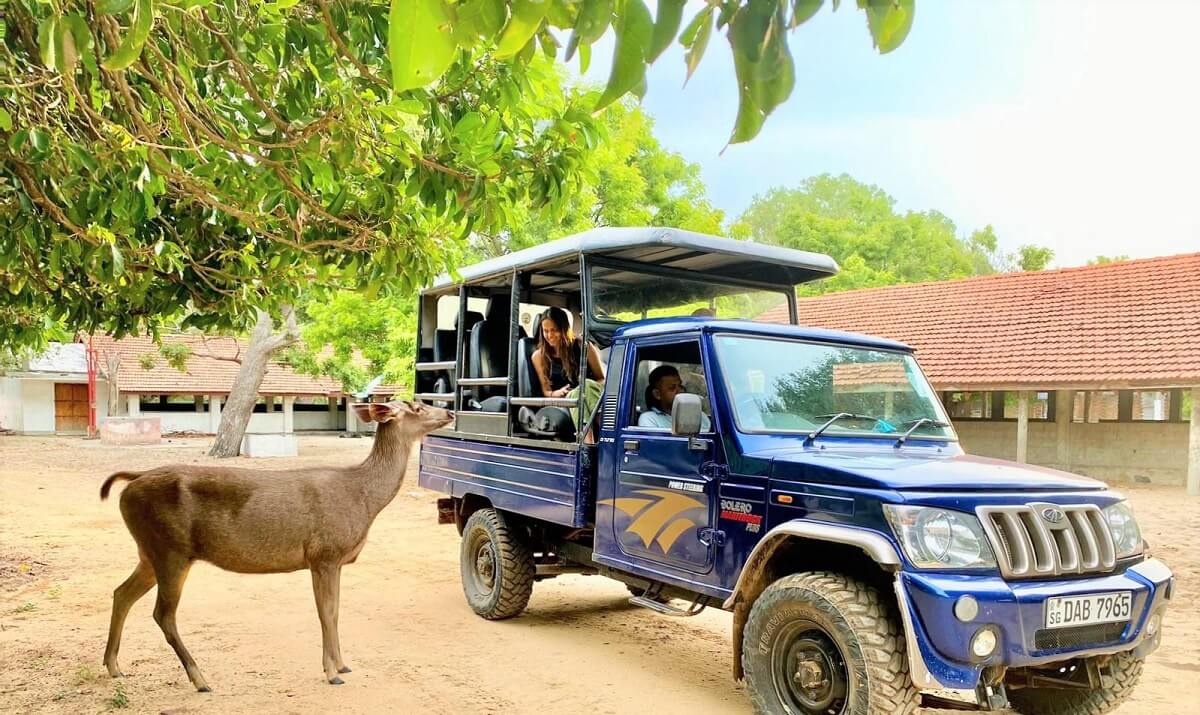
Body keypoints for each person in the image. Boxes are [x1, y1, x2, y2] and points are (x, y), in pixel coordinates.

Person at [531, 307, 605, 435]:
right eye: (545, 331)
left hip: (589, 395)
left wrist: (584, 389)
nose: (549, 336)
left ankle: (587, 441)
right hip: (563, 401)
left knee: (582, 389)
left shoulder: (584, 347)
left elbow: (601, 379)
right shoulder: (539, 356)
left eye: (554, 330)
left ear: (564, 328)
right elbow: (546, 391)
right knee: (575, 395)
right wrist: (558, 393)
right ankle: (605, 432)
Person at [638, 364, 711, 430]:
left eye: (680, 385)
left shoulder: (699, 415)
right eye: (672, 388)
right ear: (657, 394)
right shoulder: (649, 418)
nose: (680, 390)